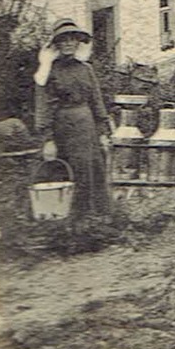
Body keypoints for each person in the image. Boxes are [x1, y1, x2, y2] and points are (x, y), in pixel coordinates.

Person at [34, 20, 113, 222]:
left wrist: (103, 131)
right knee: (69, 170)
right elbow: (43, 105)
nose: (69, 43)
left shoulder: (86, 69)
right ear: (57, 44)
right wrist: (47, 139)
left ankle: (95, 220)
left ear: (79, 42)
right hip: (64, 127)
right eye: (63, 40)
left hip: (87, 126)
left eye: (73, 39)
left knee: (92, 168)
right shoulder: (49, 72)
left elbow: (96, 100)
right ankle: (70, 222)